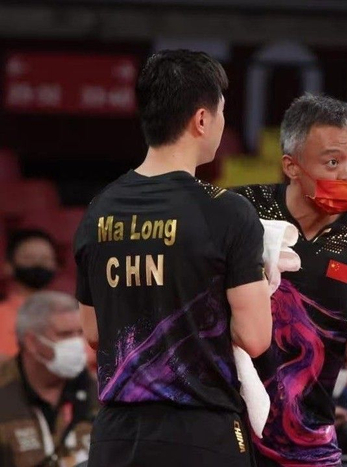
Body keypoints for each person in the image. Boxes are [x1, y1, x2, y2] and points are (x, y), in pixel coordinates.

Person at [73, 49, 272, 467]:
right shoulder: (228, 211)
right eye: (221, 112)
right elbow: (255, 337)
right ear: (201, 120)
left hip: (115, 437)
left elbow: (94, 332)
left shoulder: (99, 209)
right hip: (199, 435)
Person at [232, 94, 347, 467]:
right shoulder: (243, 213)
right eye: (332, 162)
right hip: (232, 435)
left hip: (309, 444)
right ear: (292, 166)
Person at [0, 291, 98, 467]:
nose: (77, 343)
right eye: (65, 334)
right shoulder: (4, 394)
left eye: (79, 333)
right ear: (31, 342)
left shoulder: (101, 393)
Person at [0, 229, 59, 358]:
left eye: (45, 259)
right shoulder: (2, 316)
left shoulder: (72, 315)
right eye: (29, 258)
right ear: (8, 266)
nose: (38, 263)